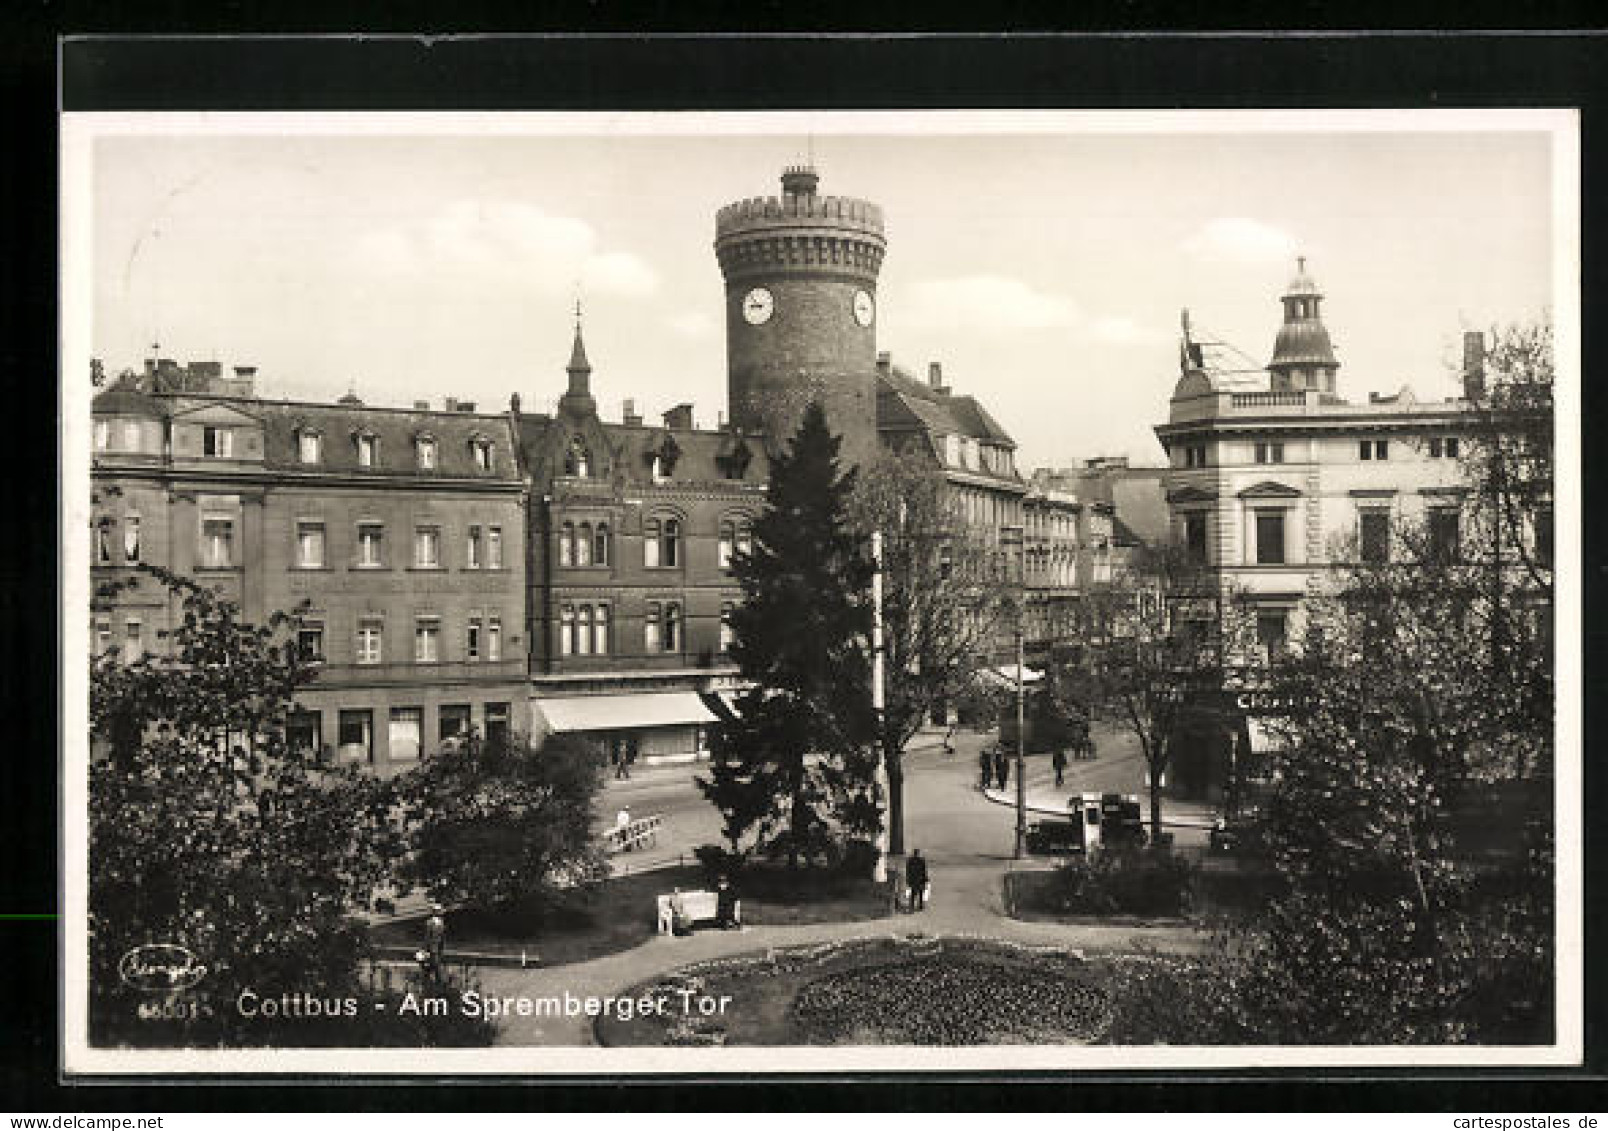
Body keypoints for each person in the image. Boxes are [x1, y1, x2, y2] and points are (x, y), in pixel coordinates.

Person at [425, 903, 446, 969]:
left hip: (438, 942)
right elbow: (428, 935)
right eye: (438, 911)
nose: (439, 912)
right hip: (433, 943)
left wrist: (442, 943)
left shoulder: (440, 922)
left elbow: (442, 933)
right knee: (434, 958)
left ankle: (435, 969)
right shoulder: (430, 922)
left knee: (437, 958)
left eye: (439, 911)